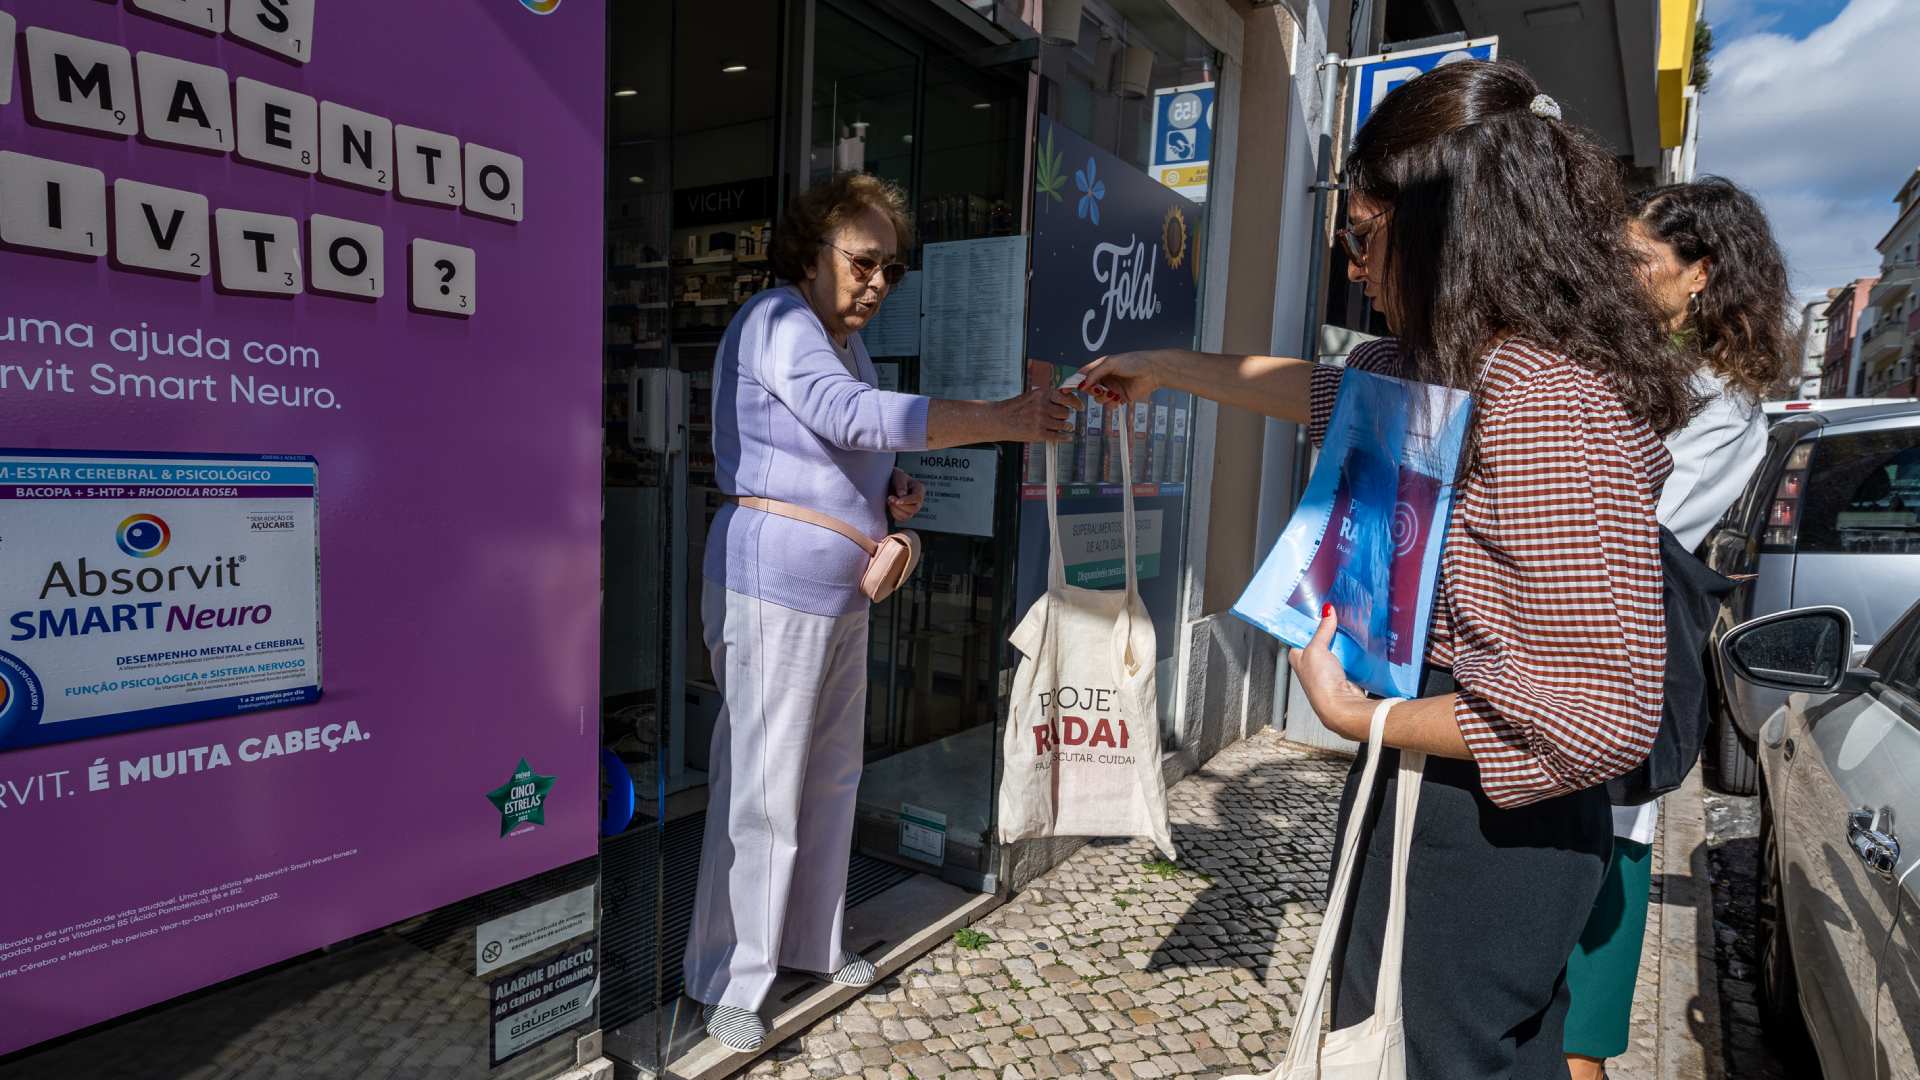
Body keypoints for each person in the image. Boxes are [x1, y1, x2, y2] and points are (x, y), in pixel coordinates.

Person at [1075, 60, 1698, 1077]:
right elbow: (1322, 390)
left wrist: (1359, 718)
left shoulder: (1542, 402)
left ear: (1452, 229)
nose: (1354, 267)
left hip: (1486, 820)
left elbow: (1598, 712)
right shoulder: (1455, 369)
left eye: (1365, 236)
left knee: (1430, 1057)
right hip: (1444, 786)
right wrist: (1163, 366)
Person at [687, 173, 1076, 1051]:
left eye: (891, 270)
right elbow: (847, 415)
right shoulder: (778, 320)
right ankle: (728, 976)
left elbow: (839, 440)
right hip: (772, 582)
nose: (877, 284)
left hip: (838, 586)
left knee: (827, 777)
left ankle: (809, 946)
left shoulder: (837, 339)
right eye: (863, 263)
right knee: (762, 784)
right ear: (812, 249)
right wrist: (1003, 418)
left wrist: (883, 492)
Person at [1562, 177, 1790, 1080]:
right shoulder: (1641, 368)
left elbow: (1620, 526)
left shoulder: (1723, 407)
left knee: (1583, 985)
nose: (1620, 271)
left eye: (1640, 258)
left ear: (1702, 275)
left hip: (1614, 679)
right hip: (1578, 672)